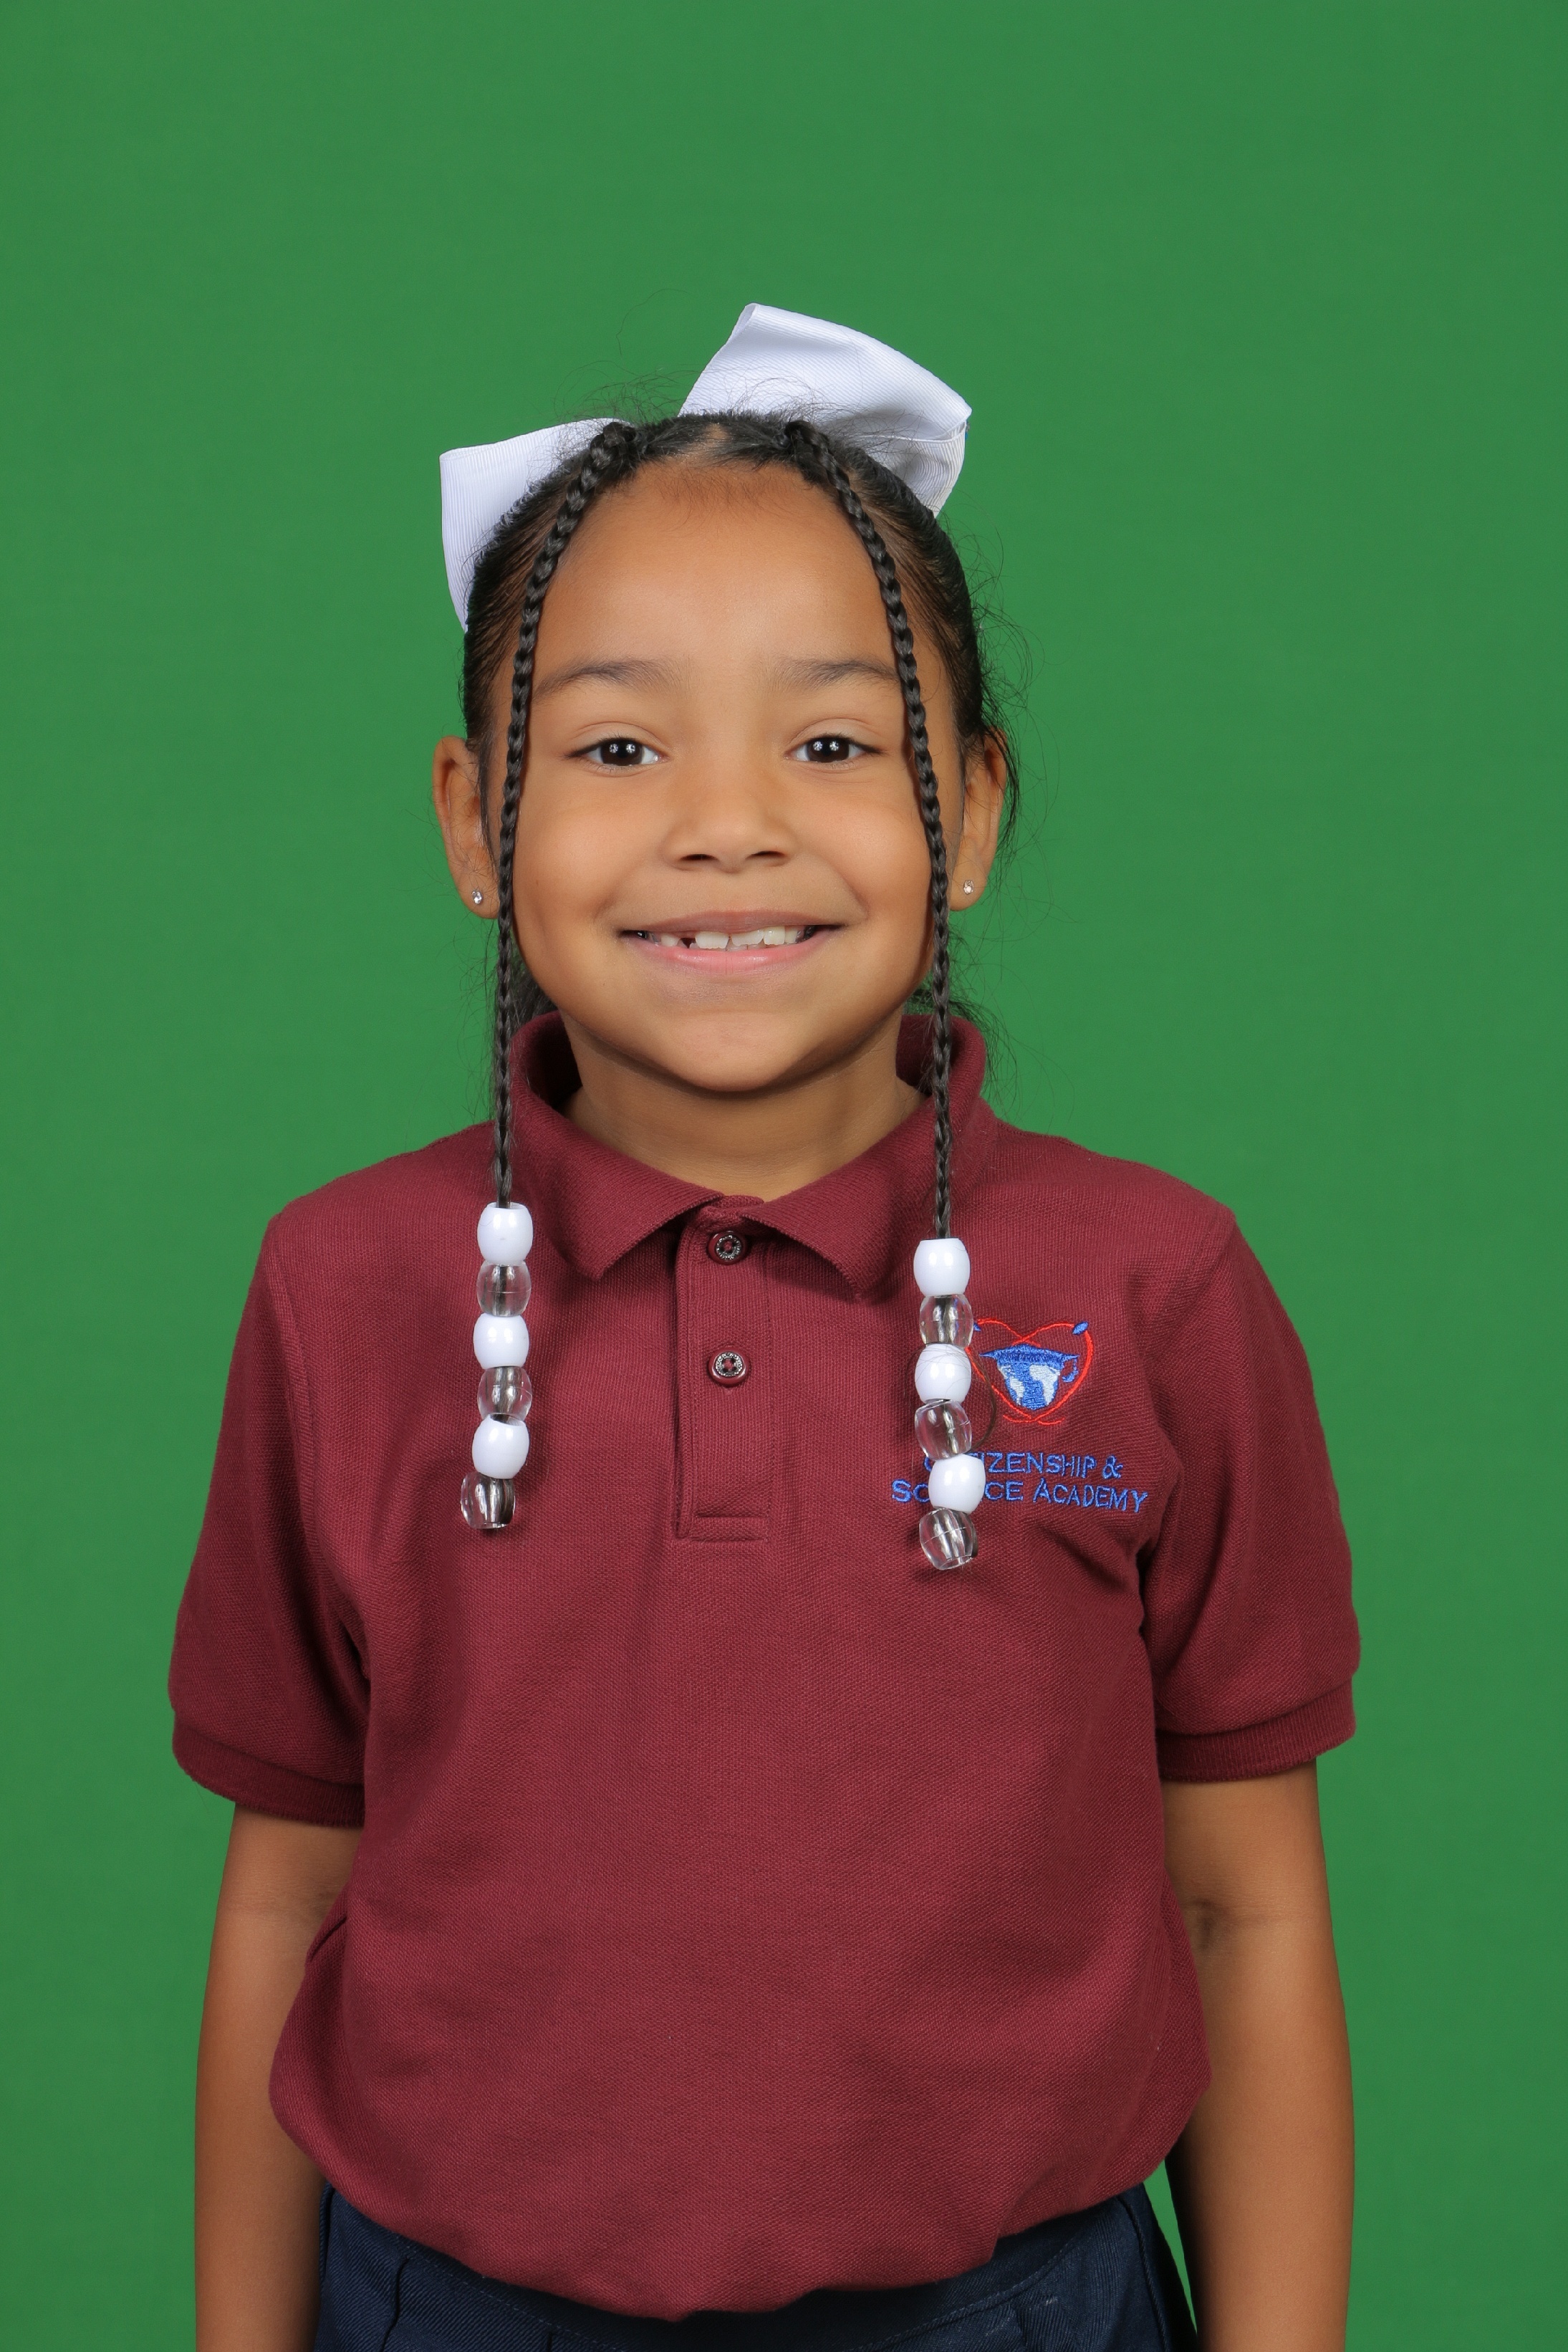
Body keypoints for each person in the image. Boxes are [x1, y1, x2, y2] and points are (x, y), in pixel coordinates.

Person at [173, 307, 1358, 2352]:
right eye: (616, 747)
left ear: (969, 809)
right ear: (471, 822)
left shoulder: (1155, 1287)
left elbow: (1241, 1906)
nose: (728, 822)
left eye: (830, 742)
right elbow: (290, 1895)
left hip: (1018, 2314)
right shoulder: (342, 1294)